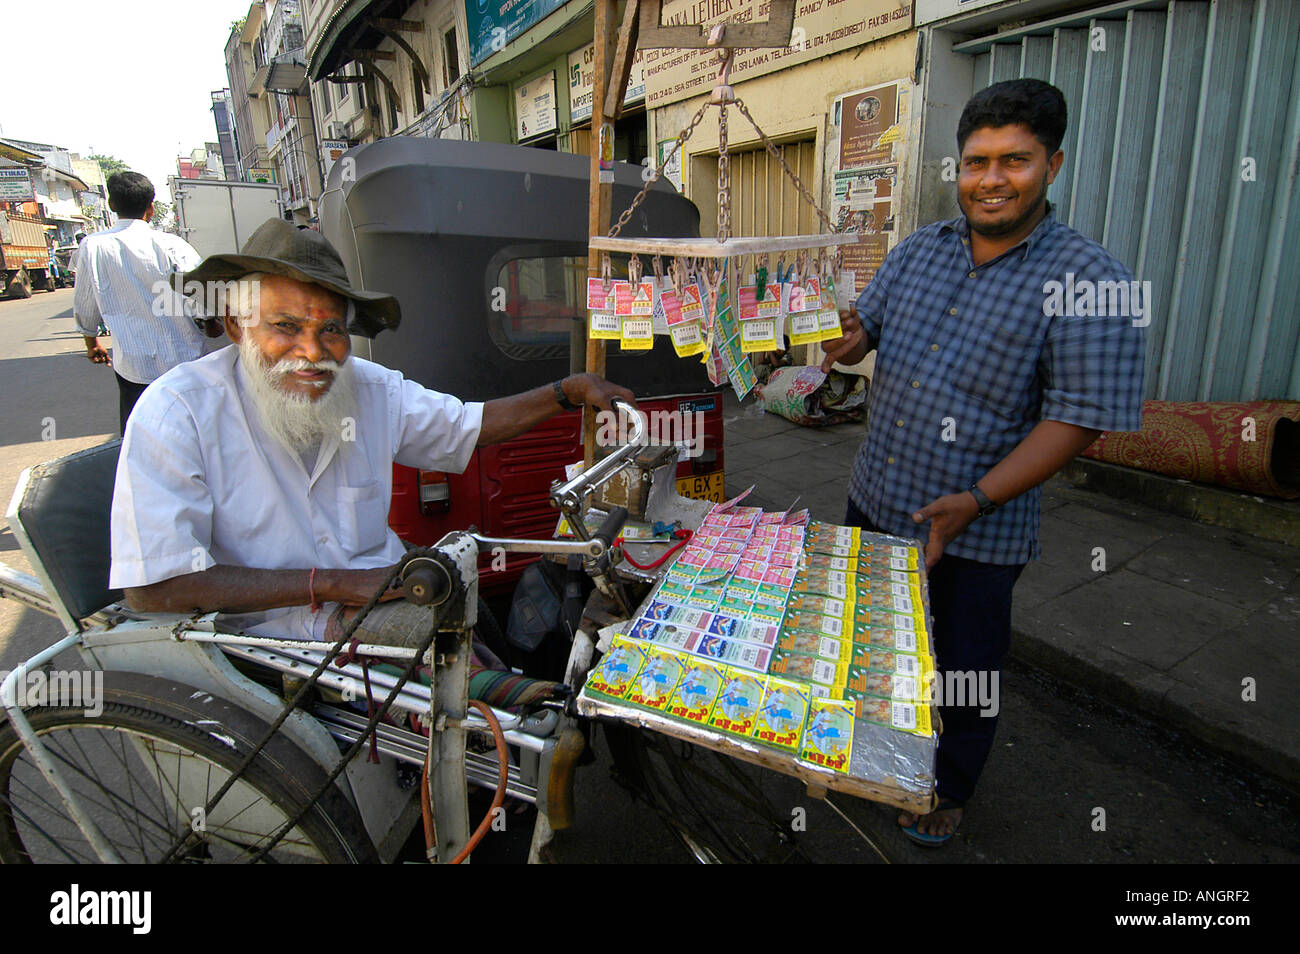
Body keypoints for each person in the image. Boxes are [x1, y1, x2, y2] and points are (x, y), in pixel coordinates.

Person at [820, 79, 1145, 846]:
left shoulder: (1093, 282)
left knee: (962, 673)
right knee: (867, 649)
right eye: (976, 161)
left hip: (978, 531)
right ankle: (873, 758)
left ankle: (945, 789)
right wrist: (841, 336)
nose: (991, 179)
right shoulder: (916, 252)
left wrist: (975, 497)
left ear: (1052, 165)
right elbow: (864, 332)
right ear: (957, 167)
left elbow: (1078, 419)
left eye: (1014, 160)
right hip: (877, 499)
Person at [109, 218, 633, 660]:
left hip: (380, 595)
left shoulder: (369, 387)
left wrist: (569, 391)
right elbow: (155, 586)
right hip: (269, 638)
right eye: (285, 327)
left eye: (331, 330)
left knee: (481, 632)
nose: (312, 352)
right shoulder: (177, 411)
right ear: (236, 325)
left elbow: (470, 426)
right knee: (466, 681)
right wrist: (331, 583)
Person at [73, 172, 218, 433]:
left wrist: (91, 341)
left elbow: (85, 298)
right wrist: (211, 322)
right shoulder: (172, 244)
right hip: (186, 361)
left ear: (112, 205)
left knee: (143, 439)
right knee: (200, 432)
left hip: (135, 368)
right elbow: (201, 291)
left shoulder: (93, 246)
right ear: (151, 208)